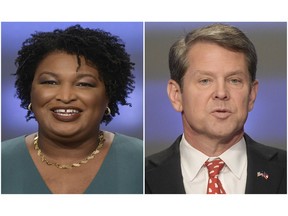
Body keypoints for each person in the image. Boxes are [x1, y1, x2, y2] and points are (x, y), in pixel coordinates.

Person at [145, 23, 287, 194]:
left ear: (251, 95)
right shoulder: (142, 178)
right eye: (205, 80)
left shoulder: (283, 170)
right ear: (176, 95)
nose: (221, 93)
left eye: (234, 80)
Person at [1, 24, 143, 194]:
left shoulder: (141, 162)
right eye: (50, 82)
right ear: (30, 91)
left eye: (84, 84)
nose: (66, 97)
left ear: (108, 97)